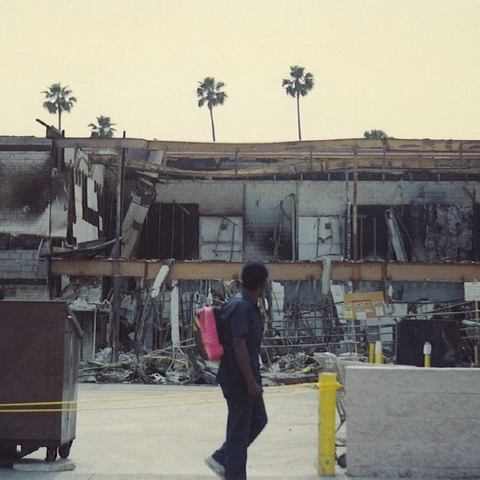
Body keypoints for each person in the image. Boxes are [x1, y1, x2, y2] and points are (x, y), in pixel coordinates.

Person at [205, 259, 269, 480]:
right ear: (262, 284)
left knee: (258, 419)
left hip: (245, 376)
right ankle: (232, 472)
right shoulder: (241, 306)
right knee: (239, 432)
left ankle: (222, 458)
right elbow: (239, 346)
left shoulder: (245, 304)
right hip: (239, 379)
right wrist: (251, 383)